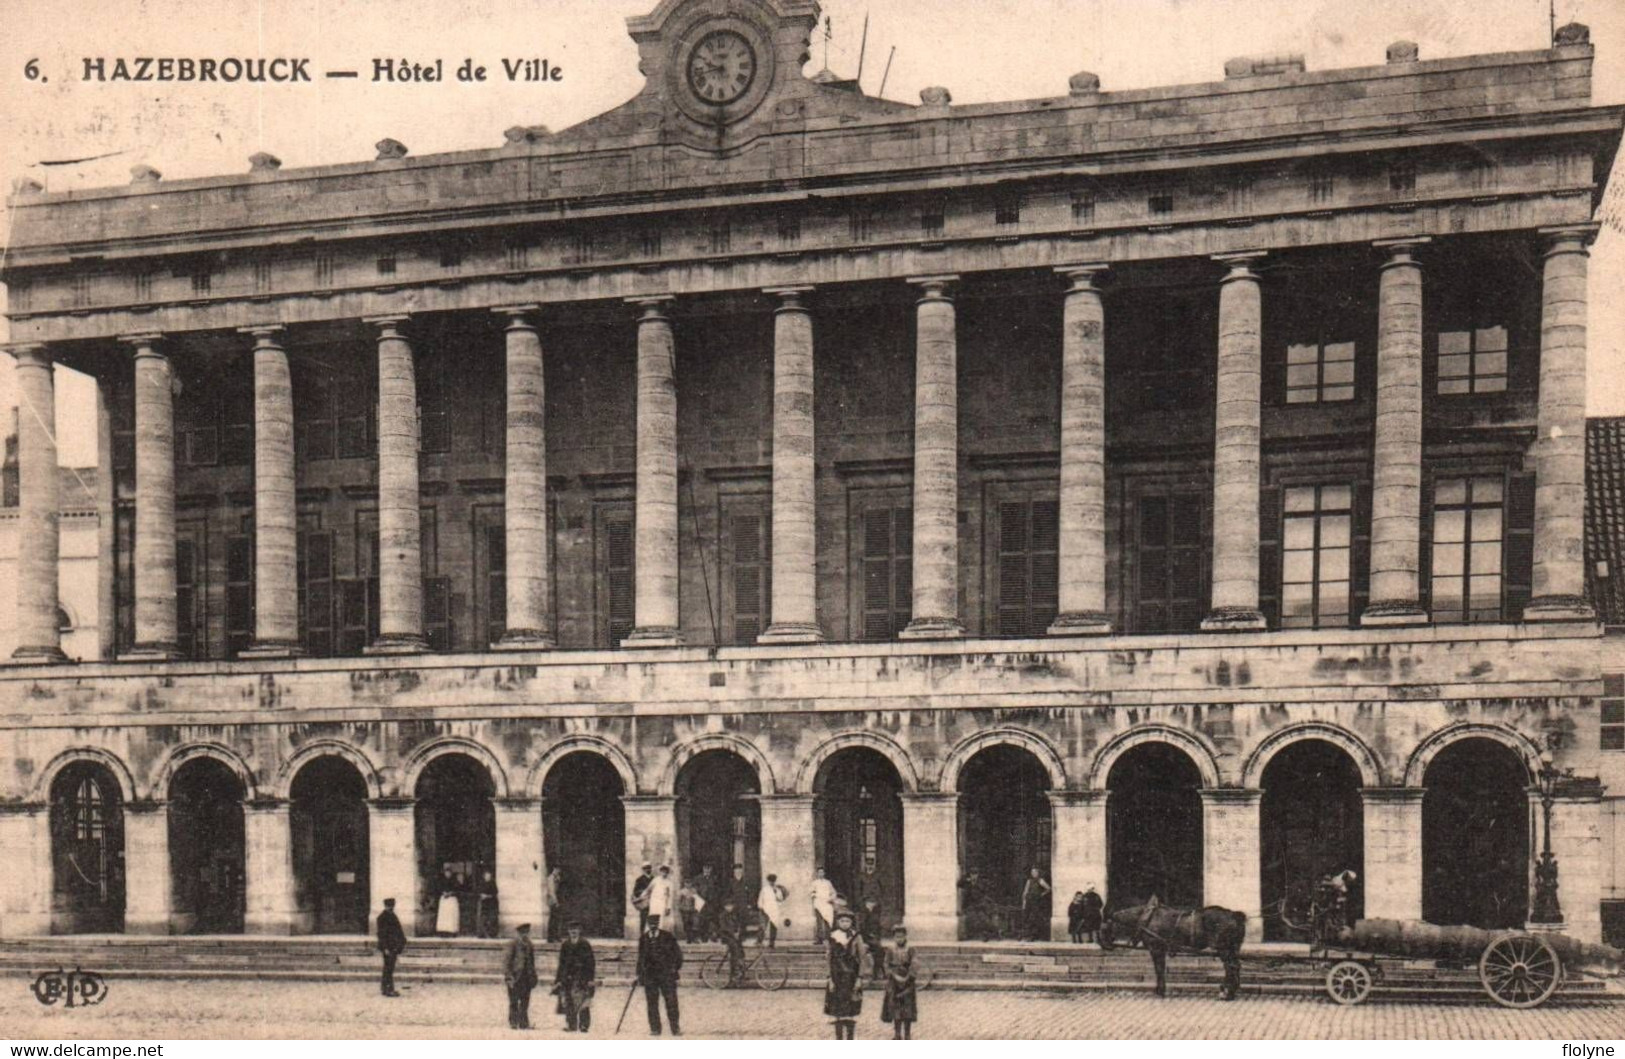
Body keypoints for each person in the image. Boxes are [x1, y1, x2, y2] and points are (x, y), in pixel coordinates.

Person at [635, 912, 683, 1036]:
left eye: (655, 924)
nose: (653, 926)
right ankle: (655, 1028)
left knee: (671, 1002)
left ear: (658, 924)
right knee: (652, 1003)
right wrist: (639, 974)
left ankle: (675, 1028)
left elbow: (678, 954)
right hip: (650, 976)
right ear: (648, 924)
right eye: (651, 924)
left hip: (666, 975)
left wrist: (674, 969)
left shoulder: (667, 937)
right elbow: (641, 958)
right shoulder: (644, 939)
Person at [825, 908, 864, 1039]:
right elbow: (828, 958)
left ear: (851, 922)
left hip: (851, 977)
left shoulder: (856, 936)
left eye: (848, 921)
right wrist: (829, 978)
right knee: (837, 1010)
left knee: (850, 1009)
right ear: (838, 922)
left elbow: (862, 957)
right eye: (842, 921)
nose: (845, 923)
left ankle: (850, 1038)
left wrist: (860, 977)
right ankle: (839, 1038)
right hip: (837, 977)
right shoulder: (832, 936)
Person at [553, 922, 596, 1033]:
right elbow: (561, 963)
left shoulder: (585, 944)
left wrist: (590, 978)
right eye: (571, 930)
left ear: (579, 931)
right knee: (569, 1001)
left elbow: (591, 963)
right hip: (568, 977)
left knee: (583, 1001)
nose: (573, 932)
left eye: (575, 929)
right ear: (568, 931)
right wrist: (558, 979)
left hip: (582, 977)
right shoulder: (565, 944)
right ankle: (571, 1025)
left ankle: (584, 1025)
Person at [880, 924, 918, 1040]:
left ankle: (907, 1033)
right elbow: (886, 964)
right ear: (893, 937)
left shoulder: (911, 949)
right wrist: (892, 975)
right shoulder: (890, 949)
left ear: (905, 936)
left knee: (908, 1009)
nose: (899, 939)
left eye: (901, 936)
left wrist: (909, 976)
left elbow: (915, 963)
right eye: (897, 937)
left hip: (907, 980)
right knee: (896, 1008)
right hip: (894, 981)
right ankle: (897, 1033)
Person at [503, 922, 538, 1030]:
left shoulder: (530, 945)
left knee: (525, 1001)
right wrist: (509, 977)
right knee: (513, 1001)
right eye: (522, 933)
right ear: (518, 933)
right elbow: (507, 961)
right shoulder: (513, 944)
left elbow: (532, 962)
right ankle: (513, 1022)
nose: (525, 935)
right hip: (515, 976)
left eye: (526, 932)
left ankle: (524, 1023)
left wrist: (534, 976)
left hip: (526, 977)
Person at [375, 897, 406, 997]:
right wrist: (385, 948)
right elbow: (381, 934)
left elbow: (398, 930)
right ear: (386, 906)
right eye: (389, 906)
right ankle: (388, 989)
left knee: (389, 968)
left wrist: (402, 942)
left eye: (392, 905)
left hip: (393, 945)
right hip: (388, 947)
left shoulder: (392, 916)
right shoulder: (382, 917)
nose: (391, 907)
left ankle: (385, 988)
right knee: (388, 968)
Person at [716, 897, 746, 986]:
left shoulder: (733, 914)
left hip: (733, 936)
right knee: (734, 949)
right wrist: (733, 933)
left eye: (731, 906)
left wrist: (738, 931)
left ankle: (740, 969)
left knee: (740, 950)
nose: (729, 908)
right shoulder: (722, 915)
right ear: (725, 907)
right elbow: (724, 927)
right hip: (726, 936)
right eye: (727, 906)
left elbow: (738, 924)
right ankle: (734, 974)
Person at [857, 896, 885, 979]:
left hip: (872, 937)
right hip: (864, 938)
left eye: (873, 903)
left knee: (880, 951)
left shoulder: (875, 913)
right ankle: (876, 972)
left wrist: (876, 937)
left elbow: (878, 927)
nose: (872, 905)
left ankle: (877, 972)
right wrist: (866, 939)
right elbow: (861, 928)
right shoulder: (863, 914)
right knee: (878, 950)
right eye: (870, 903)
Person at [1021, 866, 1052, 941]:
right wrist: (1024, 902)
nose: (1033, 874)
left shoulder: (1040, 880)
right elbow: (1025, 891)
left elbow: (1048, 888)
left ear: (1038, 873)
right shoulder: (1029, 881)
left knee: (1034, 918)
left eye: (1035, 872)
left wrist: (1041, 894)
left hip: (1036, 901)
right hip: (1029, 901)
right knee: (1027, 918)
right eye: (1032, 872)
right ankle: (1027, 935)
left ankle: (1033, 936)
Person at [757, 872, 788, 948]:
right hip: (765, 909)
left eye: (773, 881)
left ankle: (772, 942)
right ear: (768, 881)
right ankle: (759, 941)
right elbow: (760, 899)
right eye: (770, 881)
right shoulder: (765, 889)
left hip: (774, 910)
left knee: (774, 926)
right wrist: (761, 907)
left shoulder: (777, 889)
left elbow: (780, 899)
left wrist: (776, 892)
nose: (772, 882)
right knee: (763, 926)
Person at [811, 866, 838, 943]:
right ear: (817, 873)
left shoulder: (828, 882)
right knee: (819, 921)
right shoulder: (814, 883)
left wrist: (831, 898)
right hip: (818, 903)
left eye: (822, 872)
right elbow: (812, 892)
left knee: (828, 920)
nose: (821, 874)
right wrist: (815, 897)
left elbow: (833, 892)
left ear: (824, 873)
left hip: (826, 903)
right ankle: (819, 938)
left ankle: (828, 937)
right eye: (819, 872)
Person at [694, 864, 719, 942]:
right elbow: (695, 890)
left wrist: (715, 899)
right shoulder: (698, 878)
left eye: (709, 869)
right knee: (702, 920)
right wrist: (699, 899)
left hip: (711, 903)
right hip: (702, 902)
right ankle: (703, 936)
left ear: (711, 869)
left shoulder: (714, 878)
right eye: (705, 868)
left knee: (712, 919)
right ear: (703, 869)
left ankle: (712, 936)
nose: (707, 871)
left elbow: (718, 890)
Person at [436, 865, 462, 938]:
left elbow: (458, 890)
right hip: (444, 900)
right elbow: (438, 888)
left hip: (451, 899)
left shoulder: (455, 881)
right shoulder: (442, 881)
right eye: (446, 872)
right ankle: (444, 931)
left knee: (451, 916)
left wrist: (450, 893)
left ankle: (452, 931)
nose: (447, 874)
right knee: (444, 916)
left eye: (449, 872)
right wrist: (443, 892)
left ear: (451, 873)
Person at [647, 864, 675, 929]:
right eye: (662, 872)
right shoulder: (655, 880)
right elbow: (648, 889)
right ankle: (651, 934)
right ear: (660, 872)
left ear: (667, 873)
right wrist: (641, 897)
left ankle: (659, 934)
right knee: (652, 917)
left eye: (665, 872)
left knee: (661, 919)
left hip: (662, 902)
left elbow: (670, 896)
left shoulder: (669, 883)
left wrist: (668, 907)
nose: (664, 873)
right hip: (654, 901)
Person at [631, 863, 654, 932]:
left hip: (653, 901)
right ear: (643, 870)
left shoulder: (654, 879)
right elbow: (635, 891)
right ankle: (642, 935)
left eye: (649, 868)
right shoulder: (639, 879)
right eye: (646, 869)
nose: (648, 870)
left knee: (653, 919)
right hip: (644, 902)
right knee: (643, 919)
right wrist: (643, 893)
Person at [677, 878, 702, 942]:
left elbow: (697, 900)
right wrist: (681, 908)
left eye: (689, 883)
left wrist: (697, 908)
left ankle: (694, 938)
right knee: (686, 924)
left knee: (694, 923)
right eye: (686, 883)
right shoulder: (681, 891)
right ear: (684, 884)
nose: (688, 884)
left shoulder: (694, 891)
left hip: (693, 910)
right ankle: (688, 938)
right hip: (685, 910)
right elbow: (679, 902)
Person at [477, 869, 499, 938]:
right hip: (484, 904)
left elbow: (495, 893)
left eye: (489, 876)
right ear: (484, 876)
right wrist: (481, 895)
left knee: (492, 919)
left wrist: (487, 896)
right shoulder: (482, 884)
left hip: (492, 904)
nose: (487, 877)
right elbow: (478, 892)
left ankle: (492, 934)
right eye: (486, 876)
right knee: (484, 919)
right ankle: (483, 933)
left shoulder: (493, 883)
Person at [545, 867, 564, 942]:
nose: (558, 872)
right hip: (553, 901)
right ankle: (551, 937)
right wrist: (556, 902)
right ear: (554, 869)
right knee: (553, 919)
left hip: (556, 900)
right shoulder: (550, 878)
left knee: (557, 919)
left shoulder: (557, 878)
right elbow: (551, 891)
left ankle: (556, 936)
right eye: (557, 870)